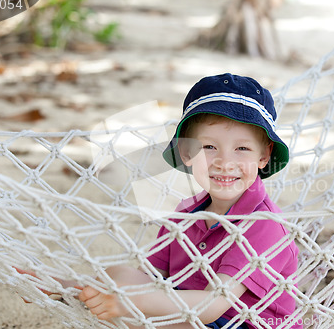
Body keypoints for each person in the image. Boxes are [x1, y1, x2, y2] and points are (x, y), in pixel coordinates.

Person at [19, 73, 300, 329]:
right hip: (193, 311)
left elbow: (214, 304)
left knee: (141, 310)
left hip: (241, 322)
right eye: (209, 147)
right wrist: (79, 286)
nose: (225, 163)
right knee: (121, 275)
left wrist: (132, 304)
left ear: (264, 156)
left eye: (242, 148)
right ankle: (61, 286)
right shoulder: (186, 214)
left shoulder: (265, 226)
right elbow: (151, 277)